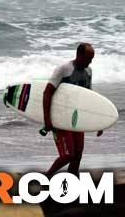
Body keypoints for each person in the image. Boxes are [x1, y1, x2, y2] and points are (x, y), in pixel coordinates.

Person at [43, 43, 102, 176]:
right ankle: (47, 176)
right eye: (88, 58)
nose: (90, 61)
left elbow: (89, 95)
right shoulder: (63, 69)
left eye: (92, 59)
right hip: (60, 117)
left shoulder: (88, 71)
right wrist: (47, 119)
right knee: (68, 155)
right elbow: (47, 92)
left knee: (77, 155)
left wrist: (100, 120)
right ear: (79, 55)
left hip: (76, 117)